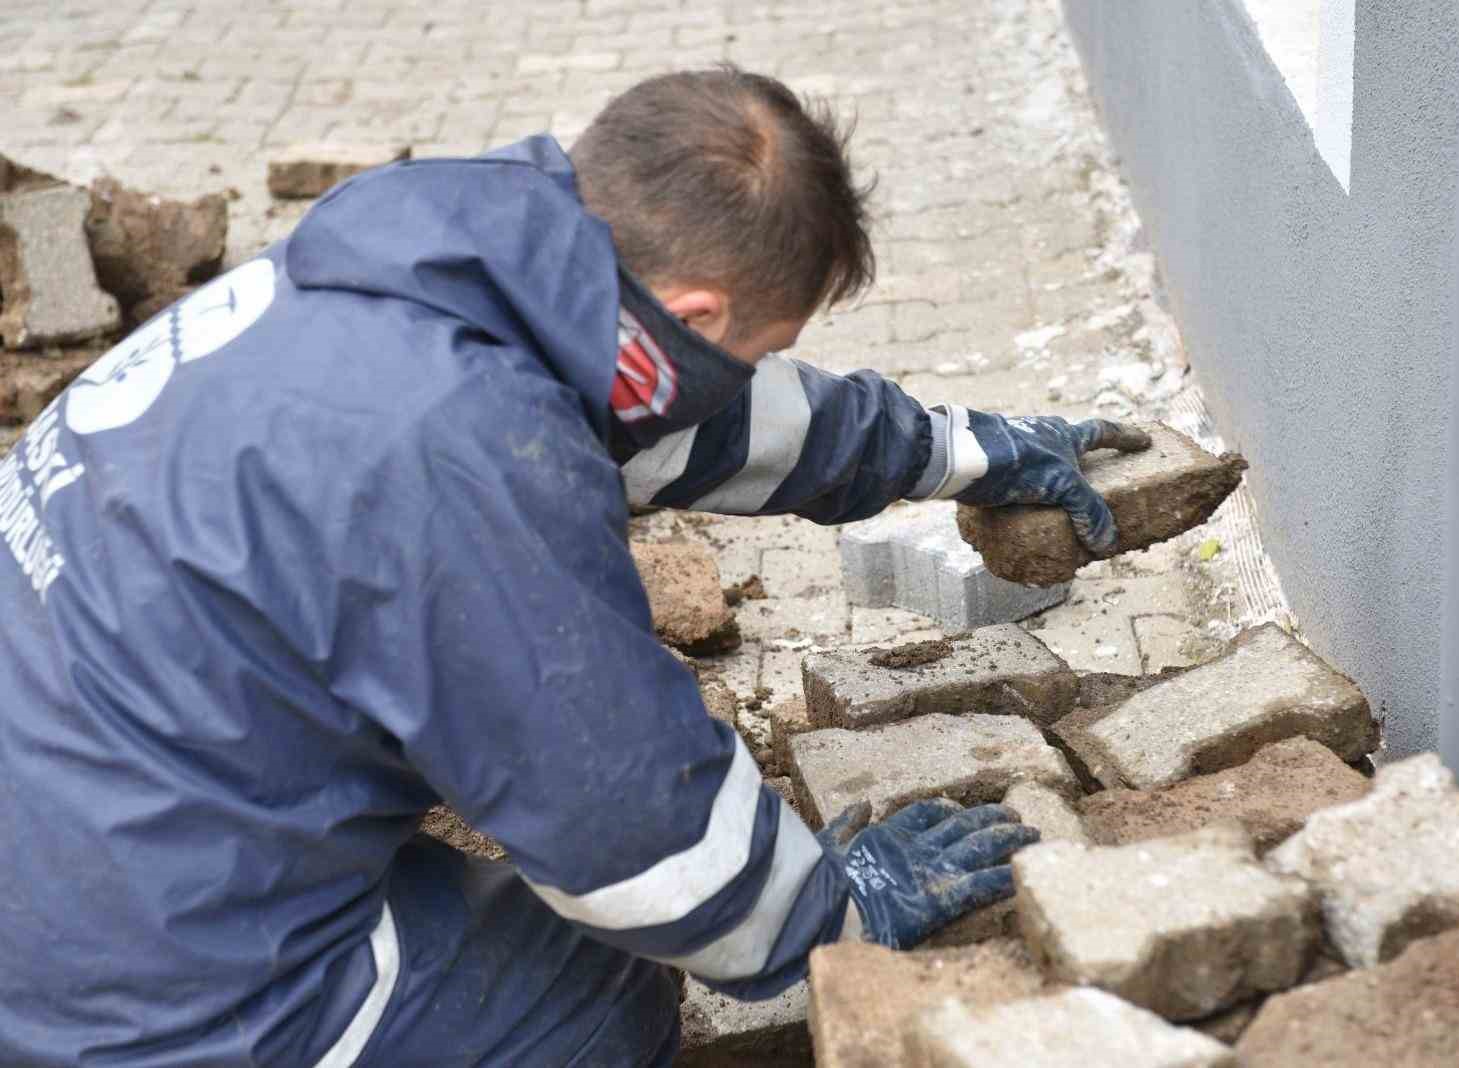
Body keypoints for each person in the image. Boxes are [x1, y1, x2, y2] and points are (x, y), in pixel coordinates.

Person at [0, 68, 1149, 1066]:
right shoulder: (462, 464)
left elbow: (690, 420)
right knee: (599, 991)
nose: (756, 372)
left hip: (71, 814)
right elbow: (631, 826)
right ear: (691, 316)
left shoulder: (447, 250)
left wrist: (962, 450)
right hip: (128, 990)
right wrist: (833, 916)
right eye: (763, 346)